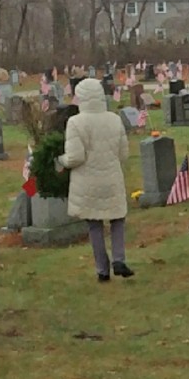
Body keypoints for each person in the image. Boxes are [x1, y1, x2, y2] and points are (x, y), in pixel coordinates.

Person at [56, 77, 134, 282]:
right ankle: (119, 258)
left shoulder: (75, 122)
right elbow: (124, 154)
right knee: (117, 219)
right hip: (112, 178)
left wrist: (59, 161)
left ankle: (102, 269)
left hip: (88, 181)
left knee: (95, 224)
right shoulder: (114, 119)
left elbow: (75, 157)